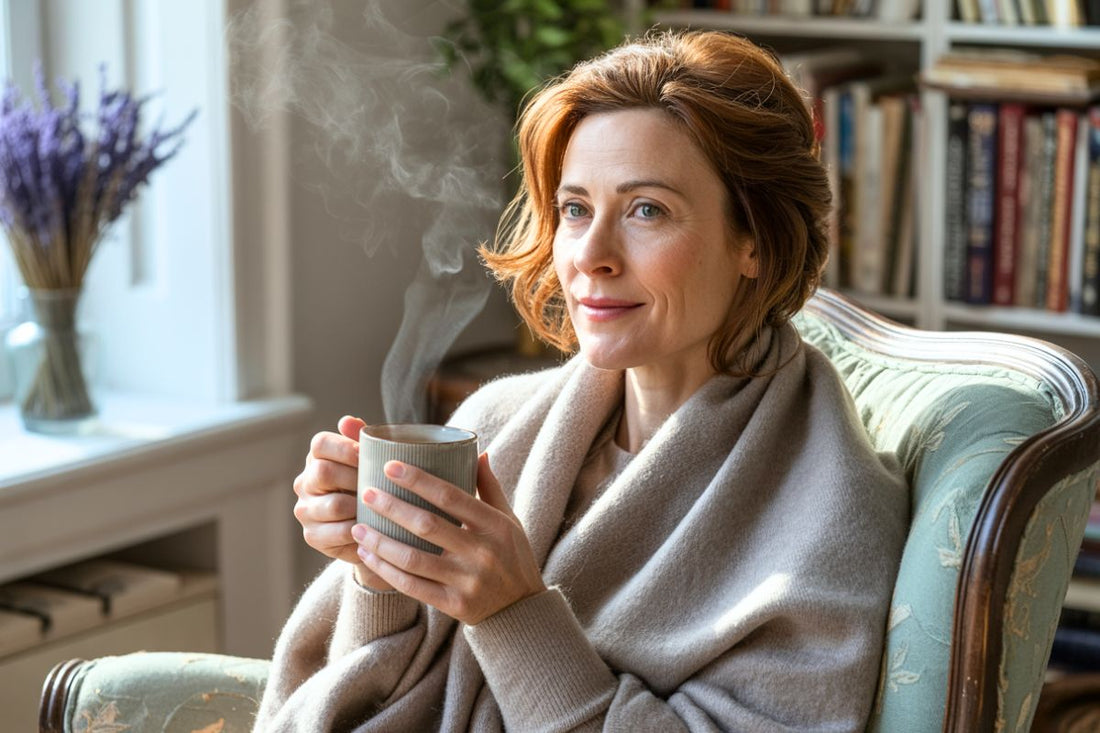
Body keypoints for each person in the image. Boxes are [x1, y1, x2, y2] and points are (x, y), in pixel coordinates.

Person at [255, 29, 909, 732]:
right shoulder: (498, 423)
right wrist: (382, 573)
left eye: (646, 209)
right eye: (574, 209)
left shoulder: (829, 517)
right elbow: (370, 707)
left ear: (755, 238)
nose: (589, 256)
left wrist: (513, 615)